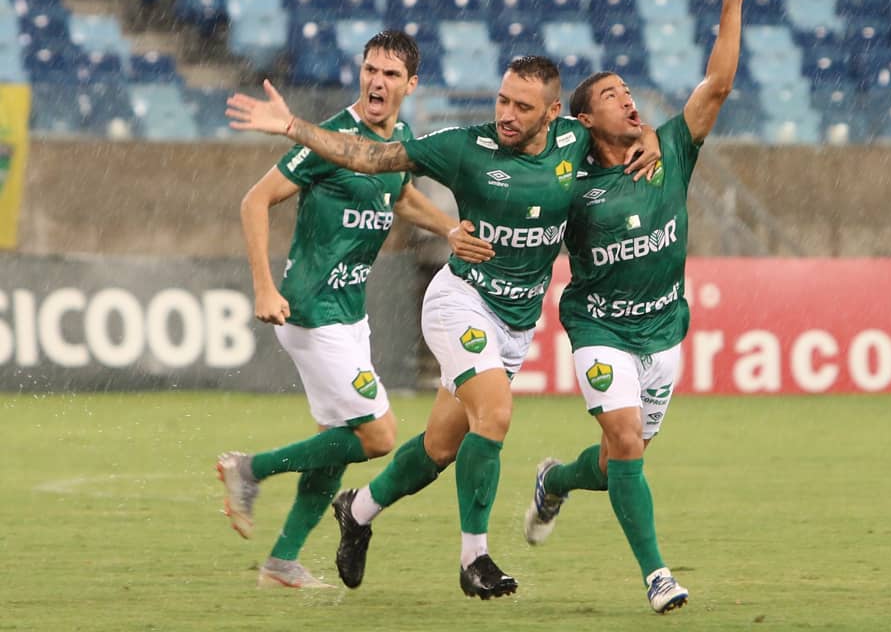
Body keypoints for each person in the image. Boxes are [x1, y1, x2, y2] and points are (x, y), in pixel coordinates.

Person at [225, 56, 661, 599]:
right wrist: (294, 127)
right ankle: (473, 557)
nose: (506, 113)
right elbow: (371, 156)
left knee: (439, 448)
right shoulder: (464, 147)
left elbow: (621, 129)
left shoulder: (573, 142)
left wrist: (653, 140)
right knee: (495, 413)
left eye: (522, 107)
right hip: (460, 303)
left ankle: (357, 510)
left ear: (552, 113)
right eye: (502, 99)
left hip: (515, 322)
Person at [518, 0, 751, 614]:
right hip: (598, 327)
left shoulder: (671, 147)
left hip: (663, 327)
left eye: (628, 91)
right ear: (584, 120)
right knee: (624, 441)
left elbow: (718, 85)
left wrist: (731, 4)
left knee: (624, 455)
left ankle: (555, 480)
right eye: (611, 95)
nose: (628, 100)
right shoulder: (569, 179)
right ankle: (657, 575)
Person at [216, 30, 492, 589]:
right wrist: (264, 287)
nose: (376, 81)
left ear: (410, 85)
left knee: (338, 441)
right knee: (381, 435)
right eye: (370, 69)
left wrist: (448, 227)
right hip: (312, 311)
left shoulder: (402, 138)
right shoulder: (331, 139)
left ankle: (282, 561)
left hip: (348, 312)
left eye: (390, 74)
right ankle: (250, 469)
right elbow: (254, 200)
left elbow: (400, 194)